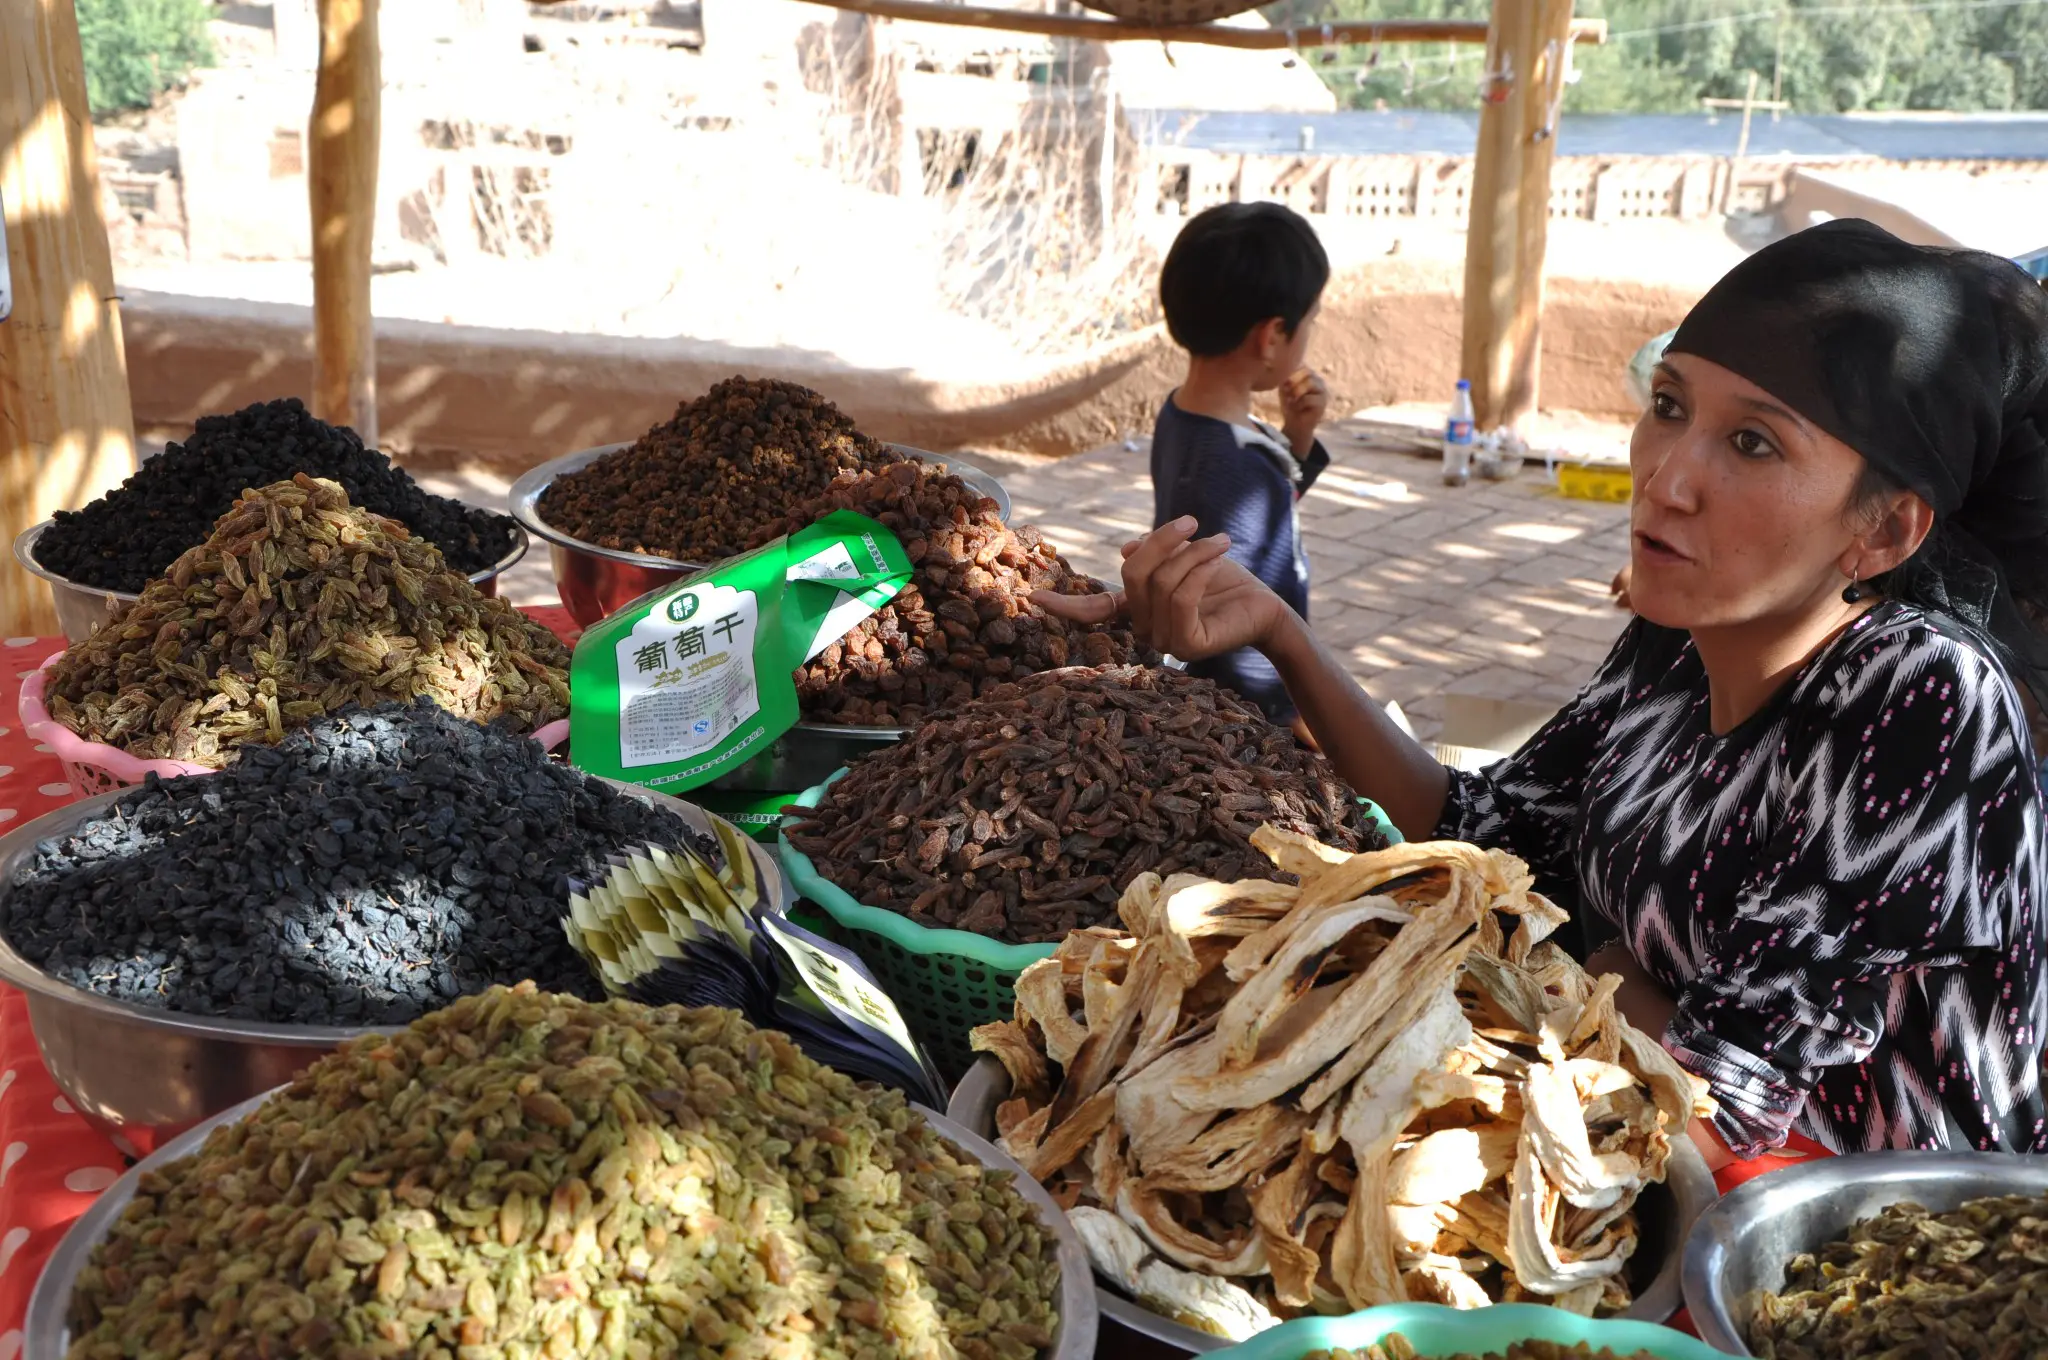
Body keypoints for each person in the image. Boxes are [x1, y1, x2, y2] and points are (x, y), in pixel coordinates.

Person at [1039, 218, 2048, 1165]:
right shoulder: (1676, 635)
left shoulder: (1921, 700)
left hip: (1850, 1260)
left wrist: (1594, 963)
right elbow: (1493, 834)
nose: (1665, 478)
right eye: (1668, 407)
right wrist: (1279, 632)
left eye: (1751, 443)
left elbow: (1722, 1099)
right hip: (1617, 1144)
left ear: (1881, 531)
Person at [1148, 202, 1332, 732]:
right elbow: (1244, 629)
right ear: (1272, 336)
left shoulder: (1185, 414)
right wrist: (1295, 714)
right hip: (1249, 718)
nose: (1310, 331)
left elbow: (1264, 506)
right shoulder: (1231, 471)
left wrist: (1297, 441)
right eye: (1311, 319)